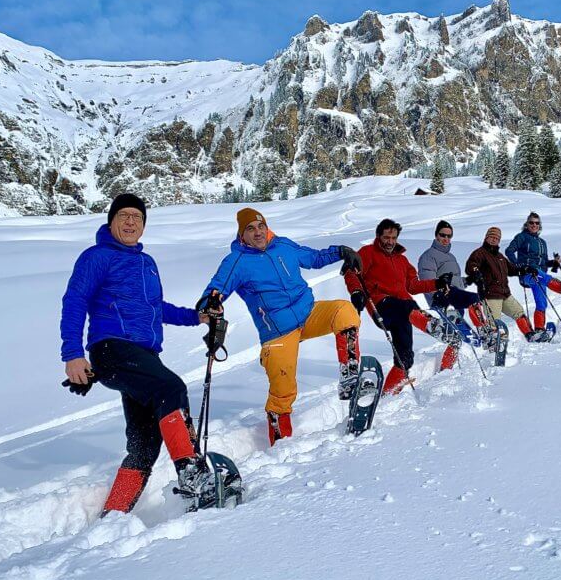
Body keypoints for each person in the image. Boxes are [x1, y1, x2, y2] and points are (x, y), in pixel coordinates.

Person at [60, 193, 212, 516]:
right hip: (112, 348)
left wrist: (196, 317)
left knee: (145, 444)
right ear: (111, 220)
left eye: (137, 217)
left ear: (143, 226)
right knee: (171, 389)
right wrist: (73, 353)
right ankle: (194, 477)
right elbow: (75, 301)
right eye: (124, 215)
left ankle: (114, 514)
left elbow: (156, 309)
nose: (131, 222)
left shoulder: (147, 264)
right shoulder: (97, 257)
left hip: (143, 357)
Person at [199, 208, 362, 446]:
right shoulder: (236, 262)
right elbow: (215, 289)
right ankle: (280, 443)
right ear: (241, 235)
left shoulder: (283, 246)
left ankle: (350, 372)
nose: (258, 232)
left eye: (261, 226)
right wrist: (210, 304)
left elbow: (313, 258)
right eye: (250, 229)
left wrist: (340, 252)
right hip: (277, 331)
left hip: (308, 313)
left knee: (344, 312)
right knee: (283, 390)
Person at [345, 218, 457, 395]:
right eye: (386, 237)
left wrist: (437, 283)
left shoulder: (402, 261)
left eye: (393, 238)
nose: (390, 242)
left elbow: (413, 286)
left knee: (405, 358)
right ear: (378, 236)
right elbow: (351, 272)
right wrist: (356, 292)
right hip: (382, 306)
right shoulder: (367, 253)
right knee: (406, 305)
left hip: (404, 313)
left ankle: (388, 393)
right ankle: (430, 324)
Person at [464, 227, 543, 341]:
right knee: (495, 323)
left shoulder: (500, 257)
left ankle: (530, 335)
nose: (494, 240)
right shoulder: (479, 253)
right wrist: (475, 271)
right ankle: (493, 344)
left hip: (505, 294)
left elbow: (512, 270)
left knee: (519, 312)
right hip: (490, 295)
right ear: (486, 237)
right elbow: (471, 266)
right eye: (492, 237)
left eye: (497, 238)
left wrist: (526, 269)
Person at [505, 211, 561, 333]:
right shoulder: (522, 237)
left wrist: (554, 262)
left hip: (541, 276)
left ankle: (539, 330)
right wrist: (519, 266)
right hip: (527, 274)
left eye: (537, 223)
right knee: (538, 273)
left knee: (542, 304)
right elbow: (509, 251)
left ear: (539, 225)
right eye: (531, 222)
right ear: (527, 224)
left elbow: (544, 263)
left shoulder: (543, 242)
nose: (534, 225)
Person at [417, 219, 484, 322]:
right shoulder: (428, 256)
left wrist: (468, 280)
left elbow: (455, 280)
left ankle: (481, 329)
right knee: (473, 299)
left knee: (477, 301)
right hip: (442, 297)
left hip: (455, 295)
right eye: (443, 235)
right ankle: (484, 329)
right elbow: (426, 280)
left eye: (449, 236)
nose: (446, 238)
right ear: (436, 235)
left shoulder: (451, 257)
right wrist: (437, 293)